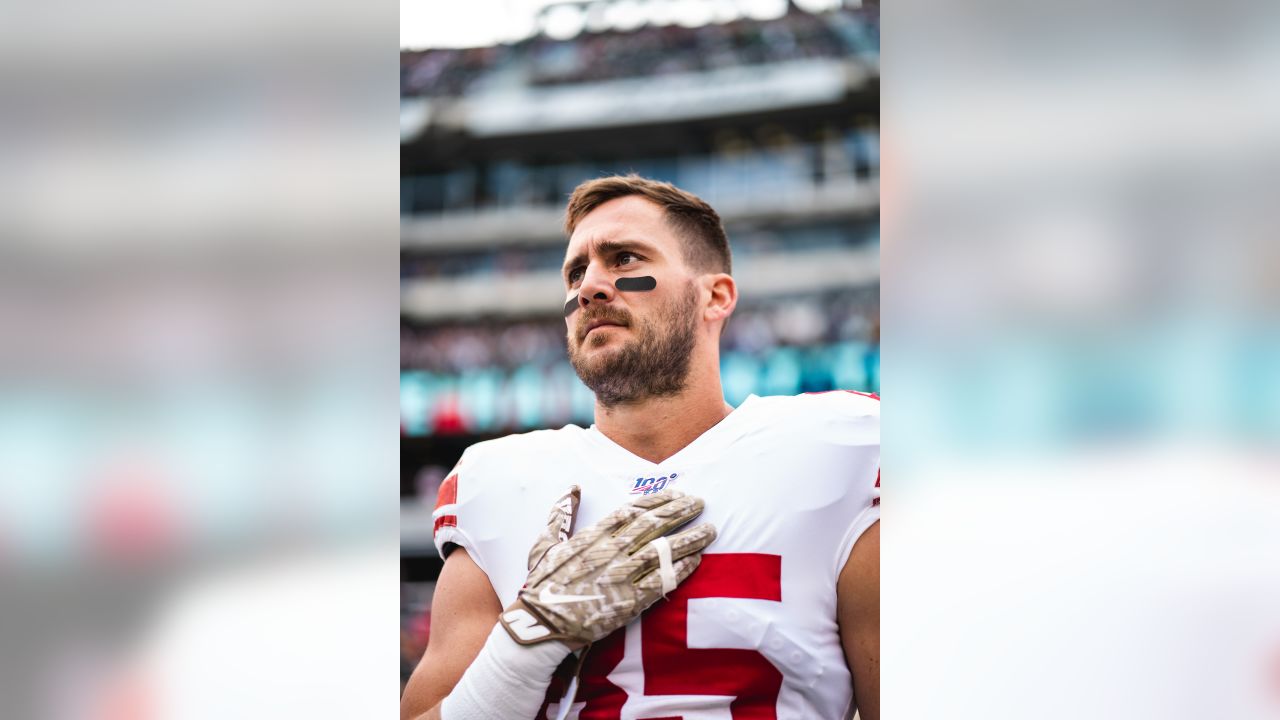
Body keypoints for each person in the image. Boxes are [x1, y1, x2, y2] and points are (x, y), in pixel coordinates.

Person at [401, 175, 880, 720]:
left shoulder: (839, 450)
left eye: (625, 259)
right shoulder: (499, 479)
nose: (590, 288)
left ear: (715, 296)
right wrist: (522, 646)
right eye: (576, 272)